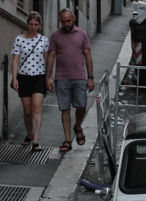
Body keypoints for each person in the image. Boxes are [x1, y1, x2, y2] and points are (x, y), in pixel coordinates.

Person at [45, 8, 95, 154]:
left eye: (68, 21)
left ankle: (78, 126)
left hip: (79, 77)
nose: (66, 24)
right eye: (63, 21)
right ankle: (67, 140)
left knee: (81, 106)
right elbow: (51, 56)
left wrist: (90, 77)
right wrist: (48, 78)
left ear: (73, 18)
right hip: (61, 78)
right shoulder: (55, 35)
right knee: (64, 109)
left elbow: (88, 56)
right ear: (60, 20)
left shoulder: (82, 34)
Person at [10, 11, 50, 152]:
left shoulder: (44, 40)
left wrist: (48, 77)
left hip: (39, 76)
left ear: (40, 25)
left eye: (36, 25)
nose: (33, 27)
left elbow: (47, 59)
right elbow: (15, 60)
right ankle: (29, 134)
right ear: (27, 24)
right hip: (24, 77)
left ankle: (36, 141)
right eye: (31, 24)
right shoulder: (19, 39)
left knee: (37, 107)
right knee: (27, 111)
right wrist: (14, 78)